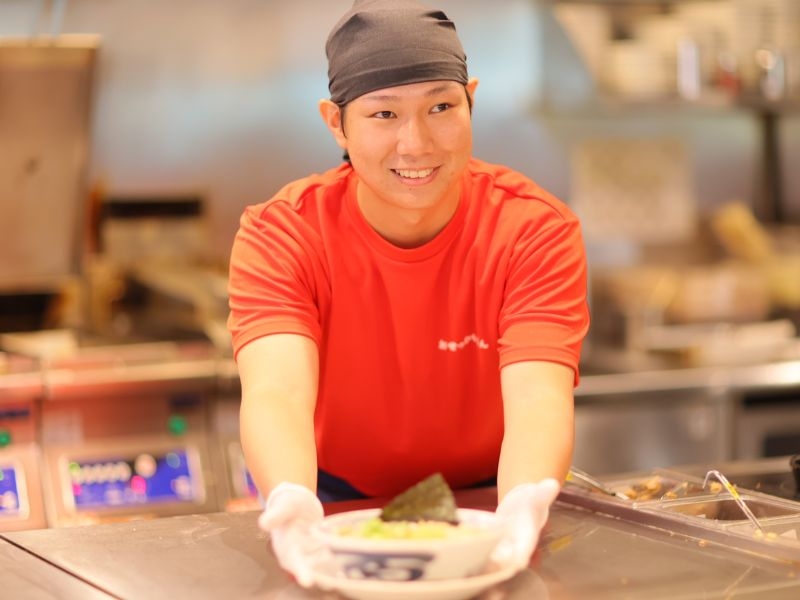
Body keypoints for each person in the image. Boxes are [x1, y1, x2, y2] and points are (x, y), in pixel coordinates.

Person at [227, 0, 590, 586]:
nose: (416, 143)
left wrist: (523, 505)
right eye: (384, 114)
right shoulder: (284, 233)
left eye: (441, 107)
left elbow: (538, 399)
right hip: (333, 505)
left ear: (472, 100)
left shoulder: (532, 230)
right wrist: (291, 501)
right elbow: (277, 392)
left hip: (493, 501)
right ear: (336, 122)